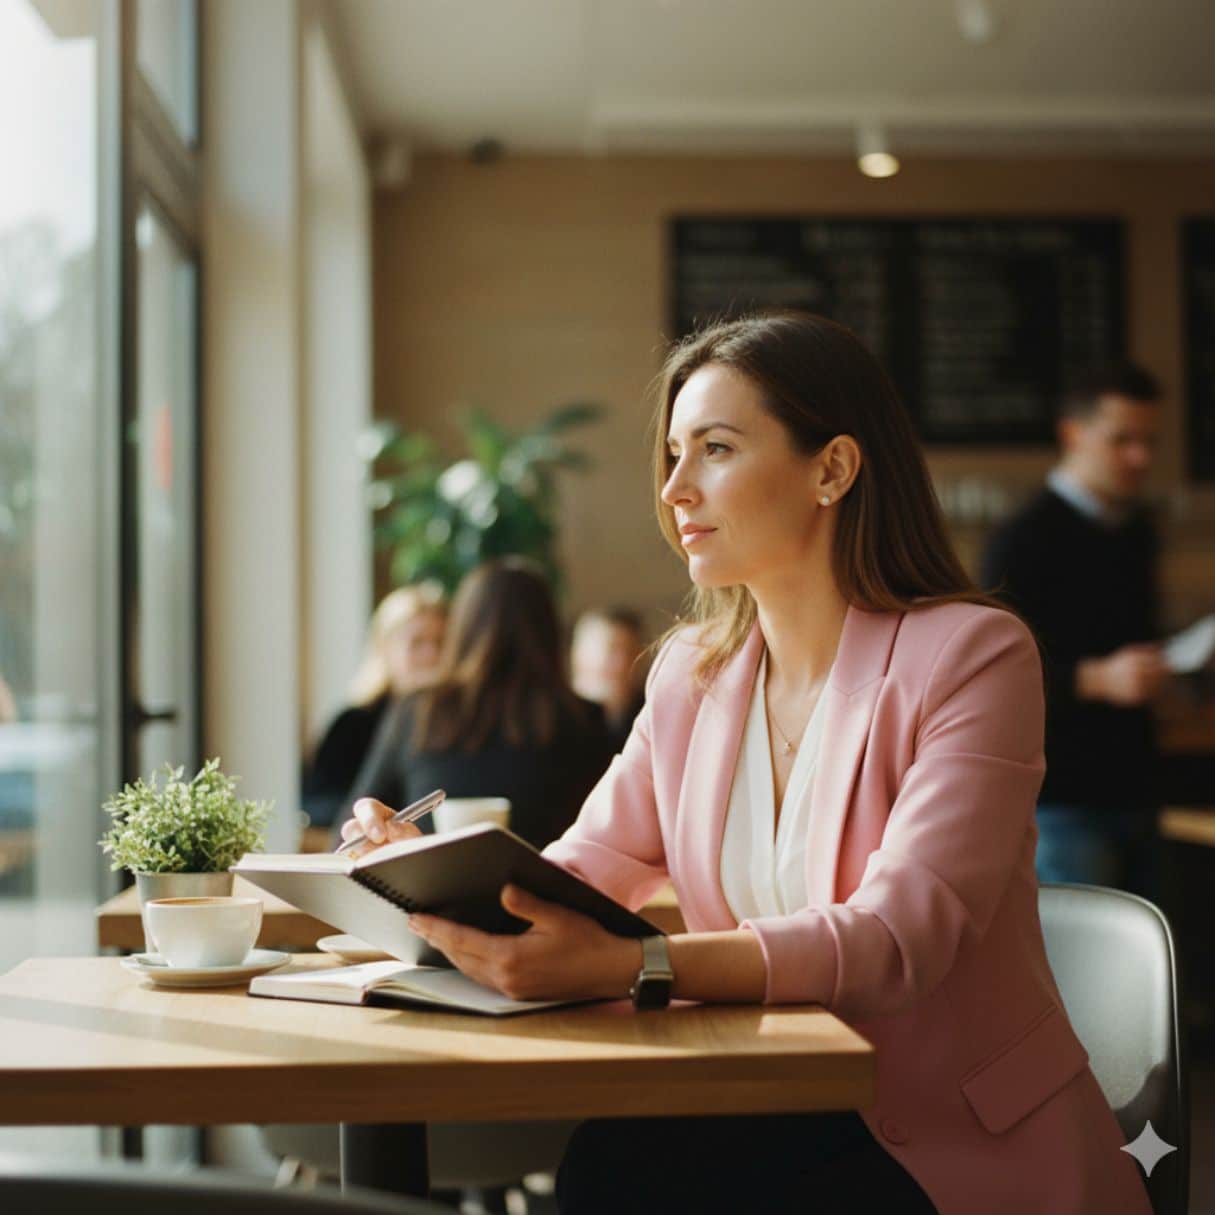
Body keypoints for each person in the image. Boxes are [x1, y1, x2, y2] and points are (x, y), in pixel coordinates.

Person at [342, 313, 1153, 1215]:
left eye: (715, 449)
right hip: (770, 1099)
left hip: (953, 1142)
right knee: (611, 1168)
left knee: (631, 1178)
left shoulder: (972, 653)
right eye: (673, 454)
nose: (675, 488)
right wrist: (421, 878)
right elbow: (575, 873)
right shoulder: (692, 676)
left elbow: (894, 942)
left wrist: (636, 964)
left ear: (832, 469)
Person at [980, 363, 1166, 899]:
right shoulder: (1021, 539)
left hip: (1136, 786)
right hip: (1057, 797)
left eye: (1148, 441)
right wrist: (1097, 680)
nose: (1141, 458)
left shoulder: (1136, 531)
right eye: (1122, 440)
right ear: (1072, 433)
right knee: (1078, 975)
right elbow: (989, 681)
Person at [339, 558, 615, 852]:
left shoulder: (419, 711)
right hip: (547, 894)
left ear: (463, 628)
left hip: (430, 893)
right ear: (549, 632)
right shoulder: (584, 719)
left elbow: (350, 835)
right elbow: (608, 840)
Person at [301, 584, 446, 830]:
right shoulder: (353, 723)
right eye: (417, 643)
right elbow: (315, 805)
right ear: (385, 649)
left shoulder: (454, 727)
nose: (430, 655)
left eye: (440, 643)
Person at [569, 607, 647, 750]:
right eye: (612, 650)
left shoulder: (649, 715)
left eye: (630, 652)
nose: (622, 664)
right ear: (579, 655)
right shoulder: (557, 722)